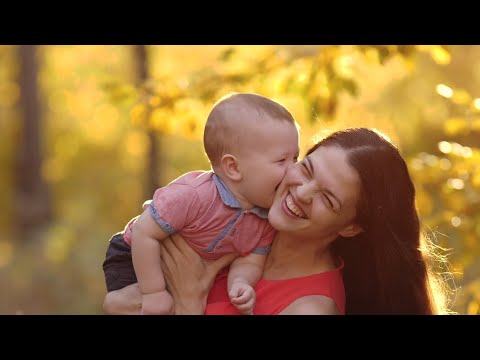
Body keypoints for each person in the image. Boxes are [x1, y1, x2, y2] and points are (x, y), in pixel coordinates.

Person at [103, 127, 453, 315]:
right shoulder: (240, 219)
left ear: (350, 227)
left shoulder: (310, 307)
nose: (301, 193)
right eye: (307, 169)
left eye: (328, 198)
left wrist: (189, 300)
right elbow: (117, 301)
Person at [103, 92, 300, 315]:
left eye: (296, 158)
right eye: (282, 160)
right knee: (151, 305)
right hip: (134, 252)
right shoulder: (194, 196)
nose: (293, 170)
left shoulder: (265, 219)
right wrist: (153, 292)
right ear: (234, 168)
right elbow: (144, 232)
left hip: (188, 272)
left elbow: (250, 261)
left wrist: (240, 284)